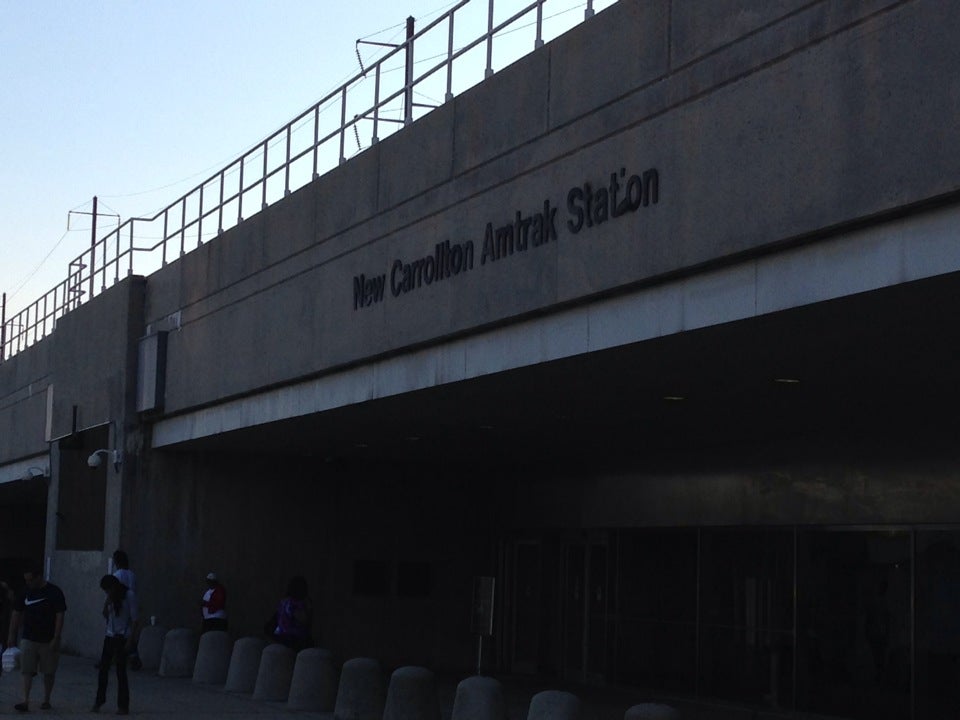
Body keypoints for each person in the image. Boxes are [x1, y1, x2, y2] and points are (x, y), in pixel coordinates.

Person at [5, 564, 67, 712]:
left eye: (30, 580)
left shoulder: (54, 592)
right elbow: (16, 613)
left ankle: (46, 699)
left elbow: (60, 615)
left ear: (39, 577)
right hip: (29, 637)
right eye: (26, 580)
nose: (28, 583)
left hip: (48, 638)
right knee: (26, 670)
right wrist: (11, 635)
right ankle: (25, 700)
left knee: (49, 671)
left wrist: (56, 637)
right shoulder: (25, 592)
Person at [93, 575, 137, 715]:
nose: (107, 593)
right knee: (103, 669)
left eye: (108, 590)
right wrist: (107, 603)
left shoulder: (129, 595)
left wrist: (130, 640)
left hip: (122, 636)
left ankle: (123, 705)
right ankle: (99, 701)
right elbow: (105, 614)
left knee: (120, 671)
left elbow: (135, 619)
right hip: (110, 635)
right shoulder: (110, 598)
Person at [111, 551, 141, 670]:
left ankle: (115, 656)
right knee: (128, 630)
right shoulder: (132, 575)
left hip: (120, 603)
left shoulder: (117, 575)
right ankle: (133, 655)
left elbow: (113, 590)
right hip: (131, 602)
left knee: (116, 630)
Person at [272, 576, 313, 651]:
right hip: (292, 639)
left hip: (280, 636)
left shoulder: (284, 602)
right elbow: (303, 619)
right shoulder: (295, 604)